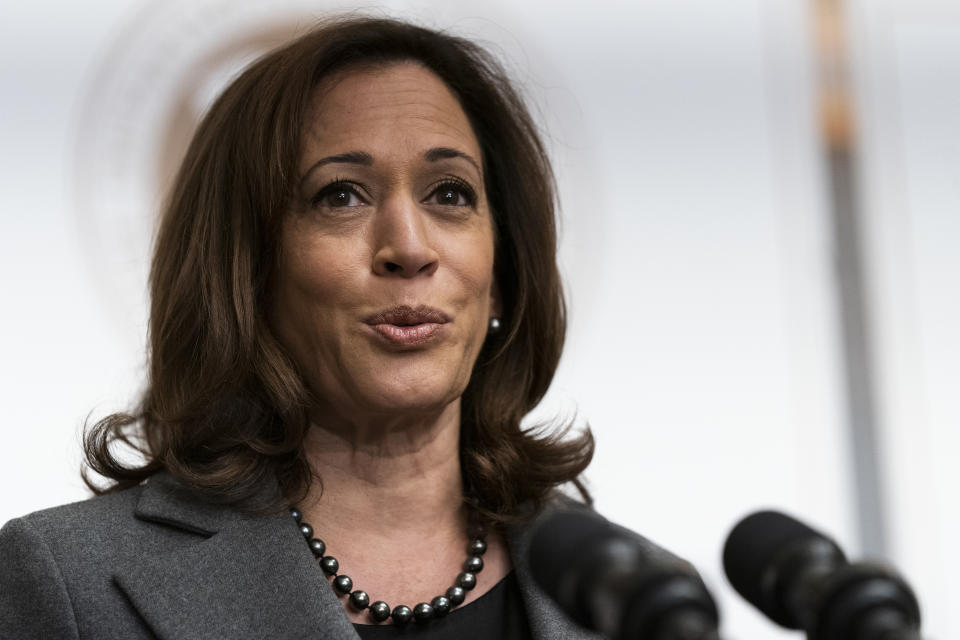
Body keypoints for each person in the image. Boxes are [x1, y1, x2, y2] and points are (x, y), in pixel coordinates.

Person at [0, 16, 597, 640]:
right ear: (246, 272)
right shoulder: (67, 584)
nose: (410, 247)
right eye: (341, 196)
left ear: (501, 272)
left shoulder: (632, 595)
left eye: (449, 194)